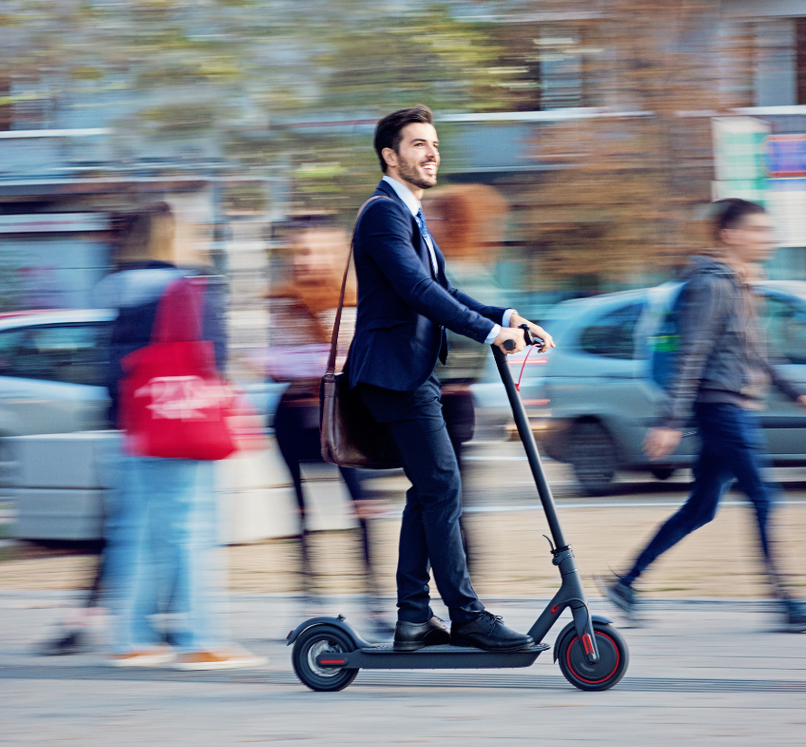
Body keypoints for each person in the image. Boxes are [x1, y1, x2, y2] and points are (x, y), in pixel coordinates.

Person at [348, 105, 555, 652]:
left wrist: (509, 319)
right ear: (391, 156)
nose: (431, 152)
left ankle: (415, 618)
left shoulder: (412, 217)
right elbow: (418, 292)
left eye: (434, 143)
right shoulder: (382, 215)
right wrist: (489, 337)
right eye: (418, 144)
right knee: (443, 487)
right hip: (393, 377)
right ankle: (464, 614)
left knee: (430, 490)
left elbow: (448, 290)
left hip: (414, 374)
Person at [603, 198, 806, 633]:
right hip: (721, 408)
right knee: (764, 497)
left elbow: (759, 351)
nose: (770, 239)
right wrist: (669, 421)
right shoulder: (711, 285)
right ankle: (786, 601)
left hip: (730, 406)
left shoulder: (739, 283)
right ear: (731, 235)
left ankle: (626, 581)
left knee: (701, 507)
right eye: (759, 230)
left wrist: (800, 394)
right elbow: (690, 355)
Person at [98, 204, 266, 669]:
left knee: (135, 533)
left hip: (135, 424)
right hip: (183, 423)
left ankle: (131, 637)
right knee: (193, 529)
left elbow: (108, 370)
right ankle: (202, 638)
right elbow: (213, 356)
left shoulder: (116, 289)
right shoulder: (190, 286)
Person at [266, 222, 389, 631]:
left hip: (340, 417)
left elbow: (351, 362)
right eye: (299, 252)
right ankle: (309, 602)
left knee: (361, 507)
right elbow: (280, 363)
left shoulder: (351, 300)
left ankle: (374, 604)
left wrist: (306, 359)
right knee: (300, 511)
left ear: (333, 256)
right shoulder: (283, 302)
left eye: (313, 251)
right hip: (294, 418)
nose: (304, 260)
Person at [423, 185, 511, 578]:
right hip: (458, 400)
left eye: (438, 216)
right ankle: (461, 581)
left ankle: (460, 582)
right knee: (450, 497)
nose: (430, 224)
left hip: (444, 399)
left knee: (445, 499)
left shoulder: (456, 274)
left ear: (455, 222)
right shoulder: (478, 273)